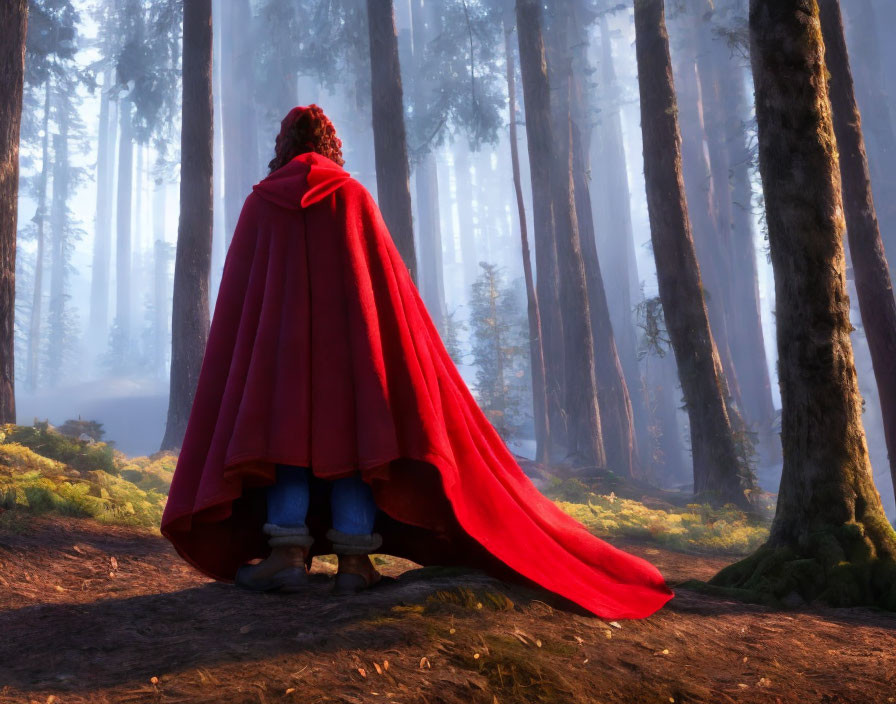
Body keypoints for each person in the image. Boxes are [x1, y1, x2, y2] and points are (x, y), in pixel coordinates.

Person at [161, 104, 674, 618]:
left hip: (279, 362)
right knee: (357, 446)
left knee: (285, 444)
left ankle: (288, 557)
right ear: (330, 143)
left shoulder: (262, 204)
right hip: (352, 362)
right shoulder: (354, 198)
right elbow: (385, 294)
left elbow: (241, 304)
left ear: (285, 146)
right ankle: (355, 566)